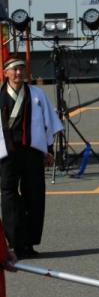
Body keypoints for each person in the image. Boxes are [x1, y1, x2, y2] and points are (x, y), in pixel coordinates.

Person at [0, 59, 61, 260]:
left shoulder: (37, 94)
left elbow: (48, 122)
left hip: (32, 151)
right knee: (9, 195)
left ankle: (29, 242)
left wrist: (49, 150)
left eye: (21, 69)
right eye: (14, 70)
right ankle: (15, 241)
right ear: (5, 73)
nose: (18, 73)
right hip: (7, 153)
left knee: (35, 195)